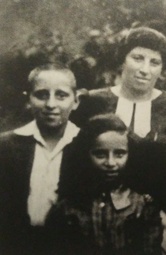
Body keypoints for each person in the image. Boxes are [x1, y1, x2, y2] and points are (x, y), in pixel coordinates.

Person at [47, 114, 162, 254]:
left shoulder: (142, 205)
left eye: (119, 154)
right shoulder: (68, 206)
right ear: (85, 155)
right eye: (100, 154)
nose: (111, 163)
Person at [0, 63, 80, 254]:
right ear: (28, 99)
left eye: (61, 95)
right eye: (42, 95)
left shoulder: (86, 145)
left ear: (76, 101)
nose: (51, 104)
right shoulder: (6, 146)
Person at [71, 27, 166, 147]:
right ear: (123, 61)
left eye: (154, 63)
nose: (145, 70)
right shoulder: (92, 101)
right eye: (138, 59)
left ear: (161, 69)